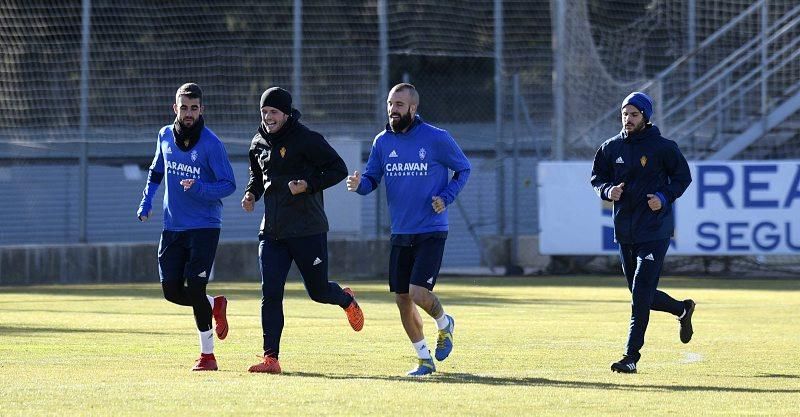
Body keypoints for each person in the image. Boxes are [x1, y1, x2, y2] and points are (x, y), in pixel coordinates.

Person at [346, 83, 471, 376]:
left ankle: (444, 322)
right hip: (401, 232)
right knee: (402, 299)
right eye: (390, 104)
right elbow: (371, 181)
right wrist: (358, 185)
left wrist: (446, 197)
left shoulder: (437, 138)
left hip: (431, 229)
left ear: (413, 108)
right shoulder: (381, 141)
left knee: (417, 292)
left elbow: (463, 168)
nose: (393, 110)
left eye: (399, 105)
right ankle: (424, 359)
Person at [242, 87, 364, 374]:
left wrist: (308, 184)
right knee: (270, 293)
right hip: (271, 233)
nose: (268, 117)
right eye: (264, 112)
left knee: (318, 292)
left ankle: (345, 299)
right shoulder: (257, 142)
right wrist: (251, 194)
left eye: (273, 112)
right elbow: (257, 176)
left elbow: (338, 169)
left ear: (286, 113)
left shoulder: (307, 139)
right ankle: (271, 358)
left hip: (307, 229)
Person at [590, 91, 696, 374]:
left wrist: (664, 196)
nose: (628, 119)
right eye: (625, 114)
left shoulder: (663, 147)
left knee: (640, 295)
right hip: (625, 230)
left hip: (655, 230)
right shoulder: (610, 148)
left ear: (645, 117)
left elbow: (683, 177)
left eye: (634, 114)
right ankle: (682, 310)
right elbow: (597, 178)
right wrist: (606, 190)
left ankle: (630, 357)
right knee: (640, 293)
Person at [137, 83, 237, 371]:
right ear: (175, 108)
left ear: (202, 109)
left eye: (194, 108)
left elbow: (228, 184)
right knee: (170, 291)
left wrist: (200, 188)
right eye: (184, 107)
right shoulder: (164, 135)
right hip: (172, 226)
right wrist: (146, 202)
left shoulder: (212, 144)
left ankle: (208, 356)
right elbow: (157, 171)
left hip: (205, 226)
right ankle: (213, 304)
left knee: (194, 284)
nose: (189, 113)